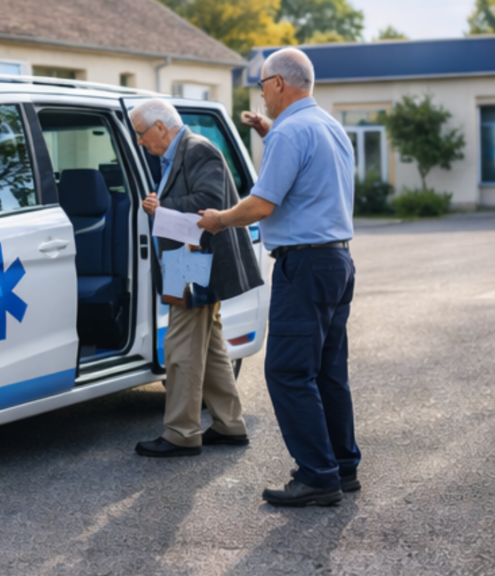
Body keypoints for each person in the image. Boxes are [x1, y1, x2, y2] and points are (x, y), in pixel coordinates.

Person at [197, 48, 360, 506]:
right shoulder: (327, 126)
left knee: (288, 371)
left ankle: (318, 476)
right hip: (336, 262)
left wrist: (219, 220)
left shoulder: (291, 132)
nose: (262, 95)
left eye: (263, 85)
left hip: (304, 267)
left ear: (280, 84)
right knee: (328, 372)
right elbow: (308, 175)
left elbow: (261, 205)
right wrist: (270, 133)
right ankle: (342, 466)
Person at [130, 99, 263, 458]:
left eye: (141, 133)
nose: (140, 141)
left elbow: (209, 203)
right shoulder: (179, 152)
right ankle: (229, 424)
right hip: (186, 260)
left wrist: (161, 207)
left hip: (195, 261)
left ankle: (181, 433)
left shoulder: (198, 149)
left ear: (160, 127)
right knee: (211, 345)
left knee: (180, 347)